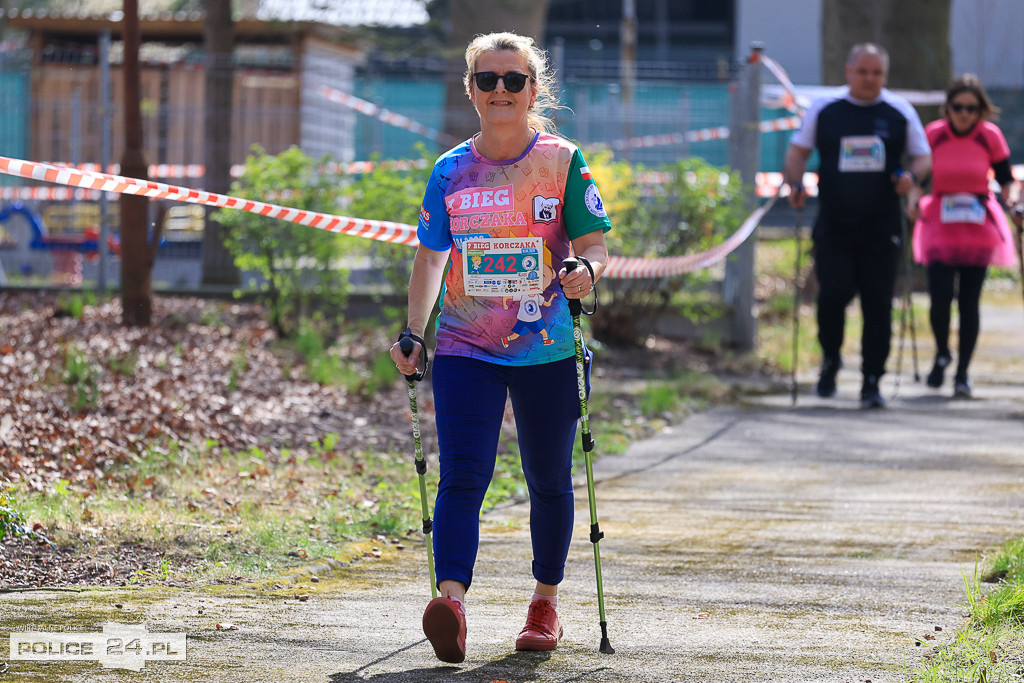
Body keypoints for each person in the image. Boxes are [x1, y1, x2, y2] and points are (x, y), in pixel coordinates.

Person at [389, 31, 611, 664]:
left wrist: (587, 272)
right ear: (471, 90)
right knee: (463, 475)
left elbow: (595, 246)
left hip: (547, 347)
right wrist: (415, 332)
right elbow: (431, 259)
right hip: (465, 345)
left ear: (533, 90)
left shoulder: (563, 162)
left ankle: (545, 603)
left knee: (548, 478)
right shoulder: (450, 171)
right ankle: (450, 602)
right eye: (488, 80)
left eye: (514, 80)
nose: (501, 91)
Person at [784, 43, 932, 409]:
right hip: (834, 224)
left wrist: (911, 177)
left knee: (878, 303)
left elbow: (923, 156)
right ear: (848, 71)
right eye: (863, 71)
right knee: (832, 297)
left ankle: (872, 380)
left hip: (882, 227)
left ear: (885, 74)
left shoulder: (899, 111)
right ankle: (831, 360)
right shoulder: (826, 109)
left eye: (877, 73)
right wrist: (795, 184)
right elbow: (797, 153)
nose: (870, 79)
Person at [907, 74, 1020, 398]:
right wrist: (913, 199)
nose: (965, 114)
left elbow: (1005, 177)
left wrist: (1011, 200)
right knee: (940, 296)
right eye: (958, 107)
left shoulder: (990, 136)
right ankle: (942, 352)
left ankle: (962, 373)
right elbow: (918, 175)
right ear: (948, 107)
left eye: (972, 108)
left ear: (980, 109)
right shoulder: (934, 135)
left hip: (977, 223)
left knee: (969, 302)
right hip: (940, 221)